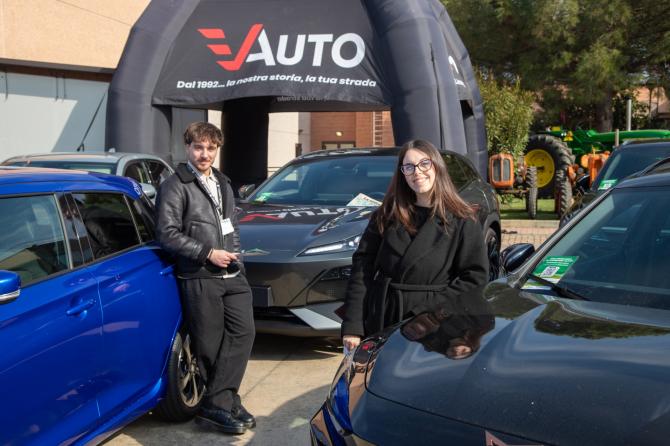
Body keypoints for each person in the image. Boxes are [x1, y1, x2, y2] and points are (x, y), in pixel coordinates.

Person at [340, 139, 489, 352]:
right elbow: (362, 269)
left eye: (424, 164)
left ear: (437, 166)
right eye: (408, 167)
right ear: (402, 174)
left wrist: (425, 314)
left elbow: (473, 279)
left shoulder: (463, 220)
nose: (417, 172)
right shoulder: (386, 215)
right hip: (383, 318)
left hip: (433, 324)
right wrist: (353, 325)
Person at [156, 122, 255, 435]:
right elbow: (167, 234)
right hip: (199, 274)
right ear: (187, 147)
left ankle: (219, 401)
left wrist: (237, 261)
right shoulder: (175, 185)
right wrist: (207, 253)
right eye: (198, 147)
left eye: (211, 148)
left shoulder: (223, 181)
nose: (205, 154)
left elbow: (231, 226)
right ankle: (224, 403)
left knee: (243, 333)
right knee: (210, 346)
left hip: (232, 273)